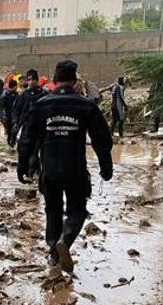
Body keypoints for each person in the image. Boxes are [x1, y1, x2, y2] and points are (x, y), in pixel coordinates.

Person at [17, 60, 113, 273]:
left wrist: (22, 165)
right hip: (75, 169)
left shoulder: (41, 105)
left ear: (54, 80)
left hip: (49, 170)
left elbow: (27, 138)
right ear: (75, 81)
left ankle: (53, 252)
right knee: (77, 211)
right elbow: (102, 139)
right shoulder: (86, 106)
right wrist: (106, 167)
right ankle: (65, 240)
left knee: (52, 209)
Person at [0, 79, 19, 148]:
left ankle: (12, 143)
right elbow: (1, 107)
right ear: (13, 87)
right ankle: (10, 144)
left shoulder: (18, 95)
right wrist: (2, 116)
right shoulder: (5, 96)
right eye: (16, 86)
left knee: (15, 131)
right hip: (8, 116)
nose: (16, 88)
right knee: (10, 131)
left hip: (16, 116)